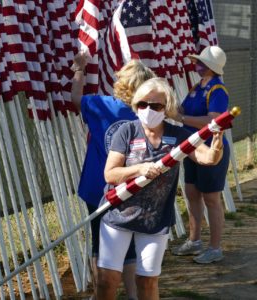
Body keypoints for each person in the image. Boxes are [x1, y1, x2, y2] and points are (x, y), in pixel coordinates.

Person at [96, 77, 225, 300]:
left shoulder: (178, 136)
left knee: (147, 282)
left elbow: (208, 158)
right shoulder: (126, 131)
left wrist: (217, 143)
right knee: (107, 281)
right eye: (142, 104)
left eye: (156, 106)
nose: (148, 110)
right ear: (135, 106)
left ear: (167, 108)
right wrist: (139, 169)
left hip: (155, 219)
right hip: (118, 215)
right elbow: (110, 174)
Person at [71, 51, 156, 299]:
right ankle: (131, 295)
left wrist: (79, 69)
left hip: (97, 187)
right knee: (128, 243)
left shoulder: (101, 105)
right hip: (130, 188)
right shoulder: (146, 114)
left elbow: (76, 97)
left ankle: (101, 294)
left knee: (99, 244)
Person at [171, 45, 230, 264]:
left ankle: (215, 248)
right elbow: (183, 109)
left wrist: (180, 119)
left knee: (212, 198)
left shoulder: (218, 90)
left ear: (211, 67)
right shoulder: (198, 85)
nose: (196, 64)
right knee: (192, 193)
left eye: (201, 62)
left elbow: (213, 121)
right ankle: (194, 240)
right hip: (192, 148)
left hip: (212, 149)